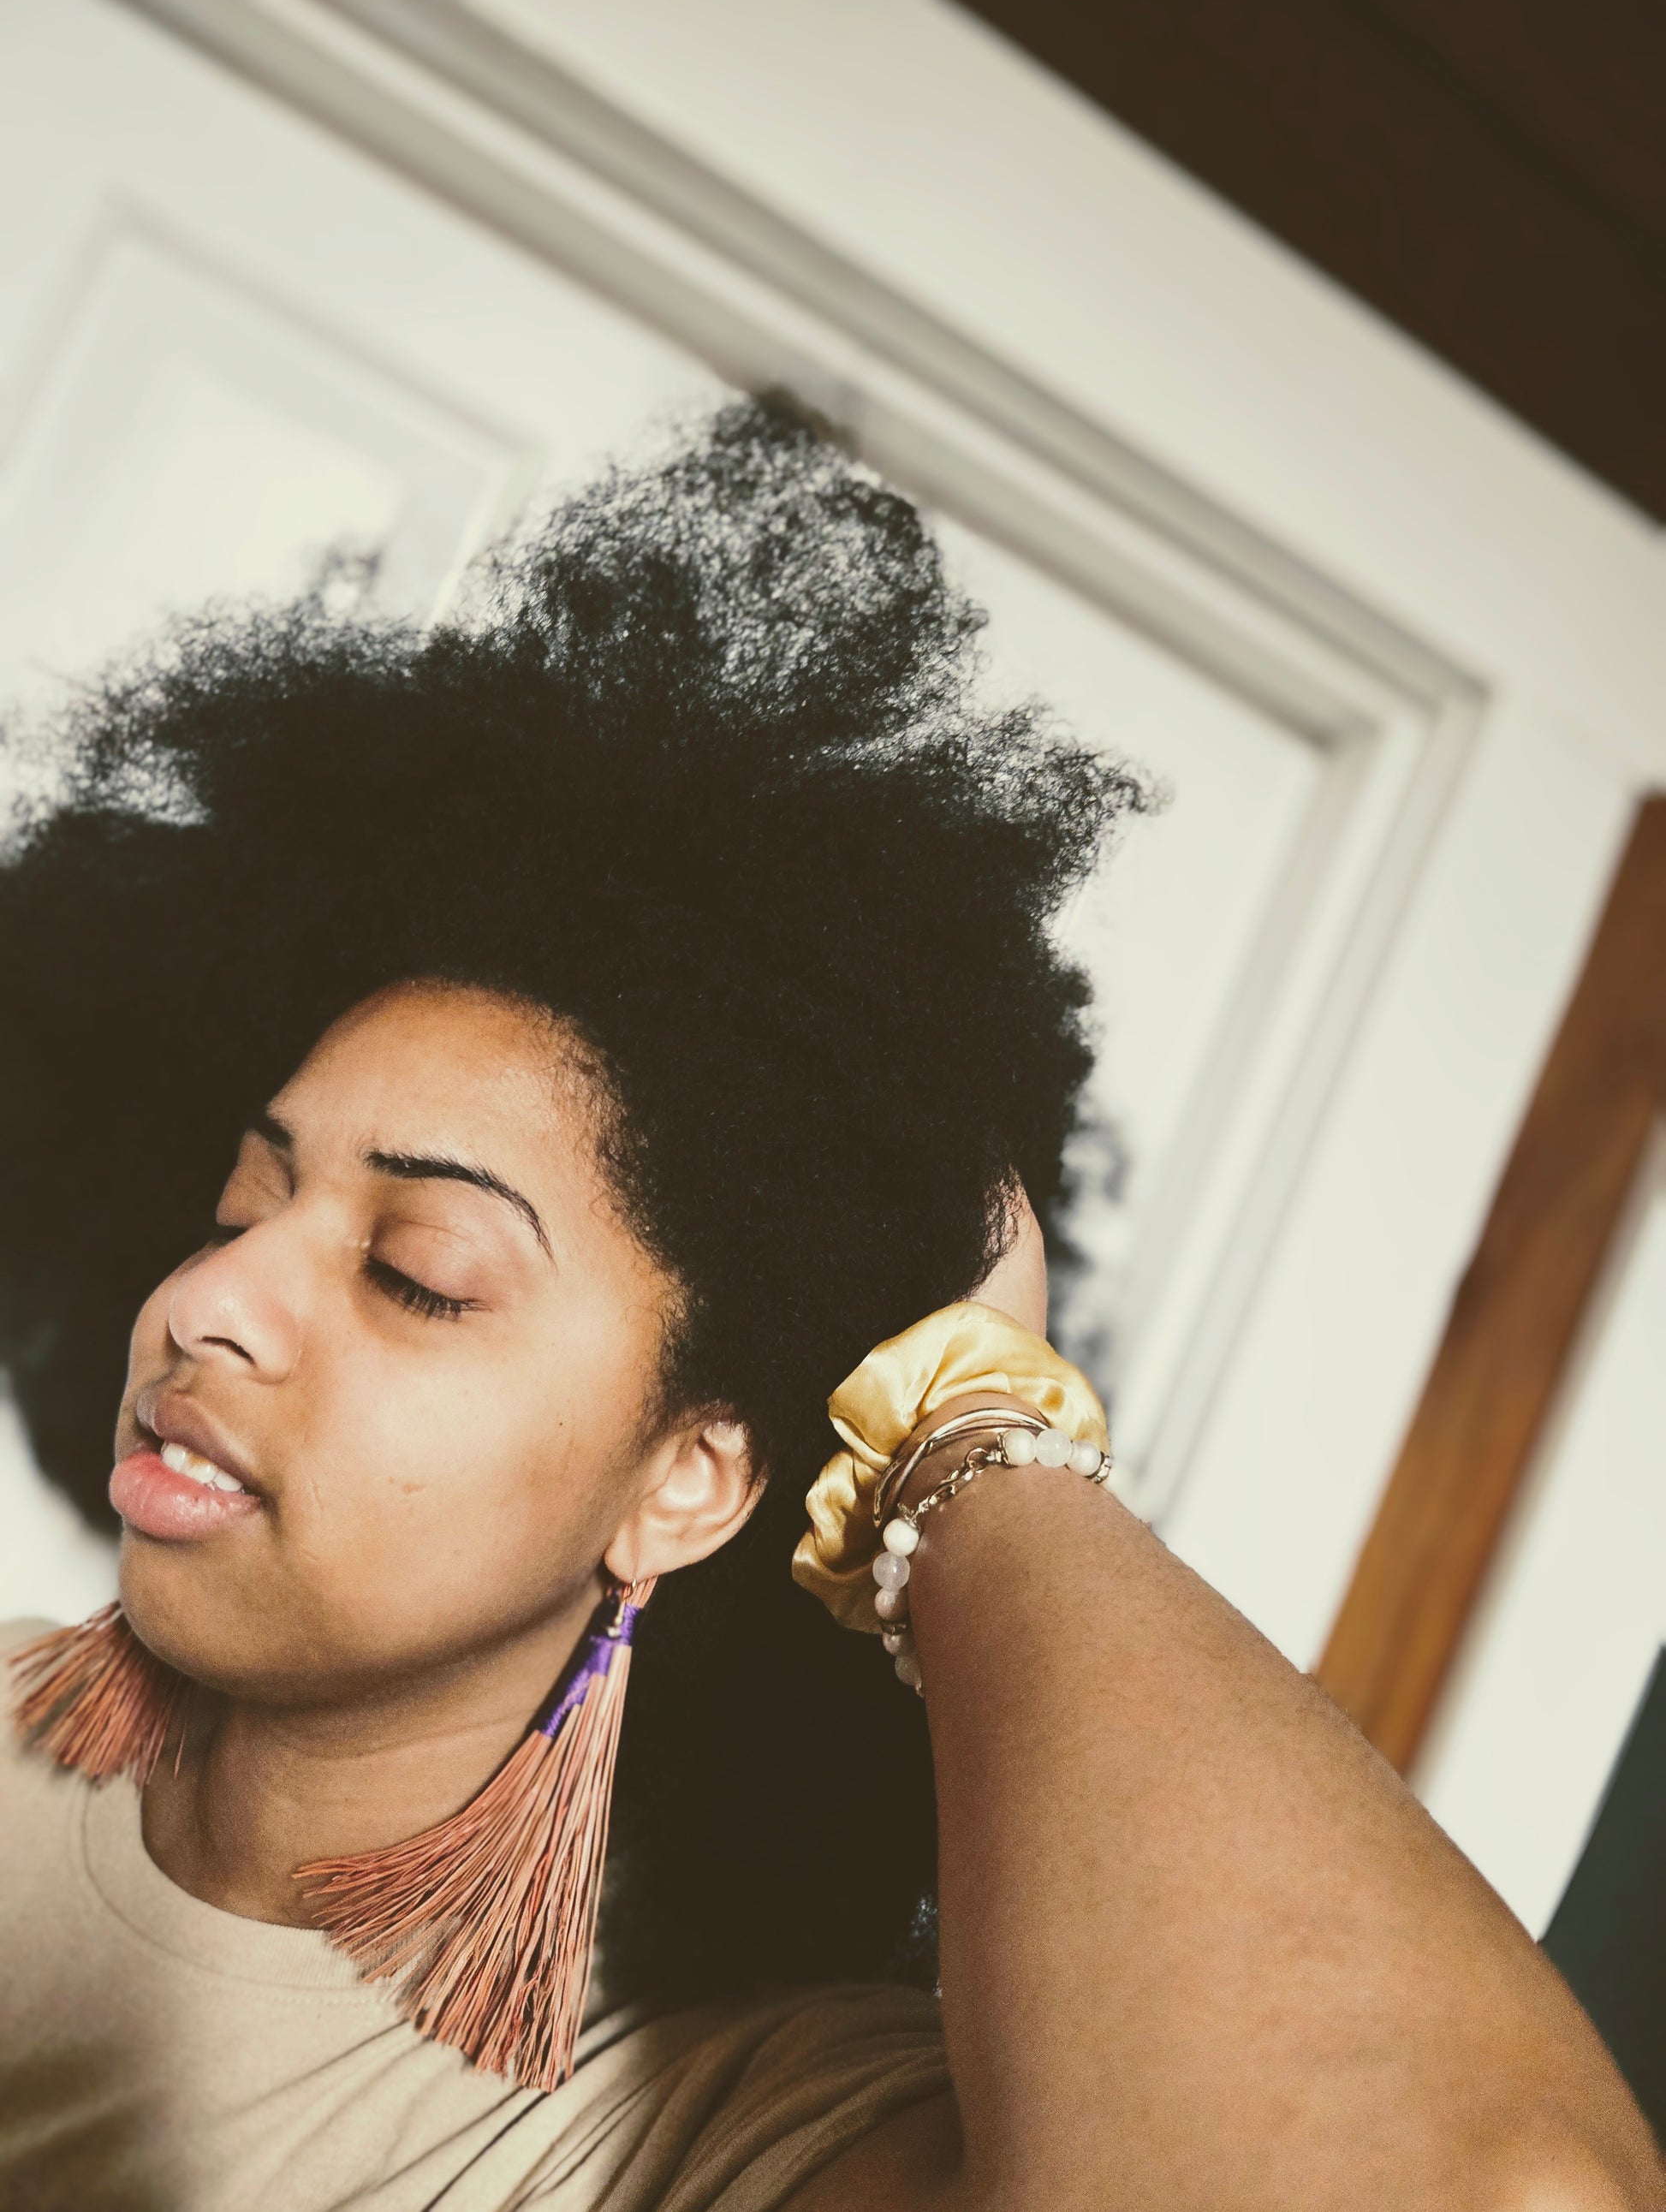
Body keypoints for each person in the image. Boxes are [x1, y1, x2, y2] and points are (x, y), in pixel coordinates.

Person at [0, 399, 1655, 2212]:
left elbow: (1470, 2185)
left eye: (419, 1271)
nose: (212, 1295)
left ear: (687, 1481)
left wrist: (971, 1436)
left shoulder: (711, 2130)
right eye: (246, 1200)